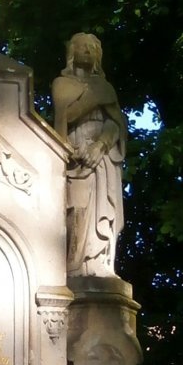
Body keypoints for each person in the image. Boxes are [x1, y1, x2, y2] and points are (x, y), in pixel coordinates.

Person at [52, 33, 126, 277]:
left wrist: (101, 145)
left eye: (92, 48)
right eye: (82, 47)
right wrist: (93, 98)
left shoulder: (106, 88)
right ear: (71, 52)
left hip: (102, 155)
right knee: (77, 210)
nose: (86, 51)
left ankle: (100, 265)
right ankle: (75, 269)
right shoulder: (62, 84)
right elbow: (65, 118)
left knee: (103, 211)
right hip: (76, 154)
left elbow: (116, 123)